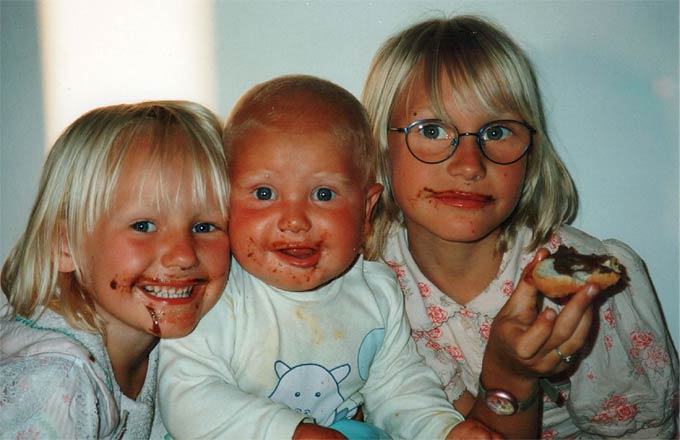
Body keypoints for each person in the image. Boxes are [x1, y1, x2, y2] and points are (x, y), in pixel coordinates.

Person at [361, 14, 679, 439]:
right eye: (432, 130)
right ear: (381, 146)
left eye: (496, 131)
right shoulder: (363, 289)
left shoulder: (590, 286)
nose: (469, 165)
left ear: (531, 153)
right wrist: (509, 375)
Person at [158, 75, 501, 440]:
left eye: (323, 194)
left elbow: (398, 387)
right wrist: (290, 433)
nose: (294, 221)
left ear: (366, 210)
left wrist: (443, 430)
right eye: (264, 193)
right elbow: (186, 395)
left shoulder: (377, 294)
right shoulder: (217, 293)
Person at [0, 101, 231, 439]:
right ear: (66, 245)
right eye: (143, 226)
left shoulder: (179, 350)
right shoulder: (53, 384)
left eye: (204, 227)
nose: (183, 255)